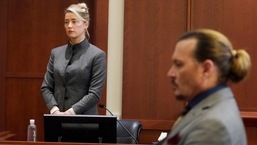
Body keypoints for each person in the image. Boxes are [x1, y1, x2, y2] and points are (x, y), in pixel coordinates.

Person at [158, 29, 251, 145]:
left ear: (206, 69)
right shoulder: (212, 107)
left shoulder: (212, 126)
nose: (170, 73)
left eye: (179, 65)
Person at [41, 3, 106, 115]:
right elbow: (46, 87)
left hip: (84, 121)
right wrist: (54, 110)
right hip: (57, 118)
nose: (69, 26)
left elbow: (94, 94)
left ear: (86, 24)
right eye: (66, 22)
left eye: (74, 21)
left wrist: (71, 112)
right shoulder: (56, 53)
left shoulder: (97, 55)